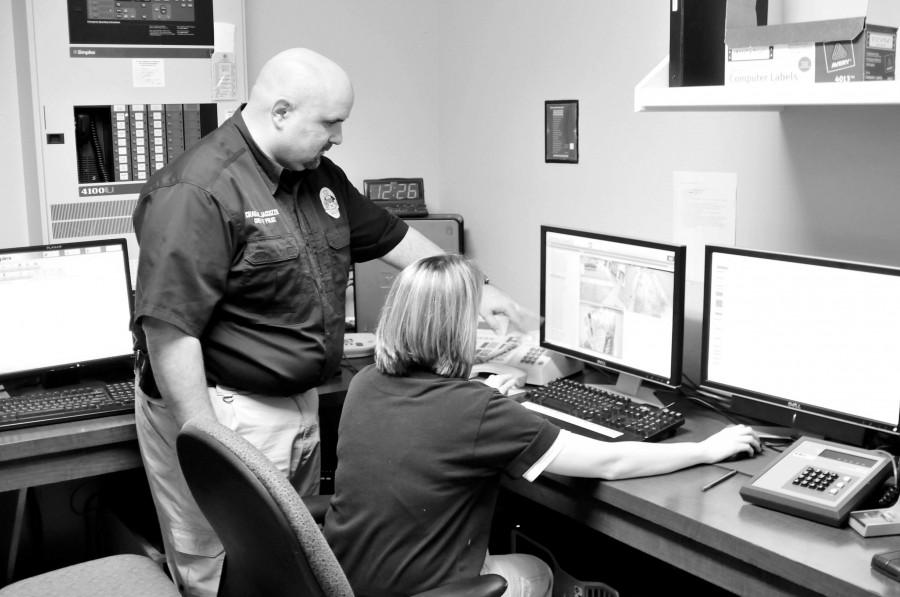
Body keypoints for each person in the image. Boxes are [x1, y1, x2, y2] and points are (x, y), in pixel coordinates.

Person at [131, 48, 526, 597]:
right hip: (223, 409)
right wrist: (211, 450)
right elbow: (170, 330)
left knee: (293, 565)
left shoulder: (314, 174)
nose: (339, 137)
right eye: (331, 123)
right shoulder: (197, 191)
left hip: (298, 400)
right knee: (223, 567)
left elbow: (387, 234)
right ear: (281, 112)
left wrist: (477, 288)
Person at [322, 254, 761, 597]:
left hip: (344, 579)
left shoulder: (365, 382)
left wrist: (490, 397)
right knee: (536, 573)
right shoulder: (474, 409)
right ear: (456, 328)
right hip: (425, 590)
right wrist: (706, 449)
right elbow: (608, 462)